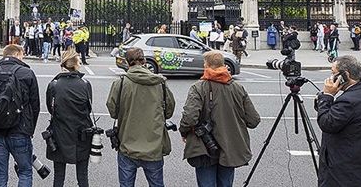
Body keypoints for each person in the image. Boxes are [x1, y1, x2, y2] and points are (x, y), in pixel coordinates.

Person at [180, 51, 261, 187]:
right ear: (223, 65)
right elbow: (253, 120)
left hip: (204, 145)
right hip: (230, 145)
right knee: (226, 183)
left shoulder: (199, 88)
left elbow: (189, 118)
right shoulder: (237, 87)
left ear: (206, 66)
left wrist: (184, 132)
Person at [106, 47, 176, 187]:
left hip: (127, 144)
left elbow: (113, 112)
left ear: (127, 62)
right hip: (154, 146)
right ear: (144, 61)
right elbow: (169, 111)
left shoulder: (120, 83)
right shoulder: (159, 83)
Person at [316, 55, 361, 187]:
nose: (331, 78)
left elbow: (327, 123)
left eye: (333, 73)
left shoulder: (348, 101)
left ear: (345, 75)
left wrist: (327, 97)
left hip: (347, 176)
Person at [0, 44, 40, 187]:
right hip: (20, 129)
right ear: (17, 54)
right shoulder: (26, 73)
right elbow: (35, 105)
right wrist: (30, 130)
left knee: (0, 175)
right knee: (25, 172)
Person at [46, 49, 93, 187]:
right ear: (75, 65)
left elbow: (50, 108)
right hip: (81, 133)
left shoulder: (54, 85)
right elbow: (88, 108)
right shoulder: (85, 84)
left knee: (59, 176)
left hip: (60, 132)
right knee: (82, 175)